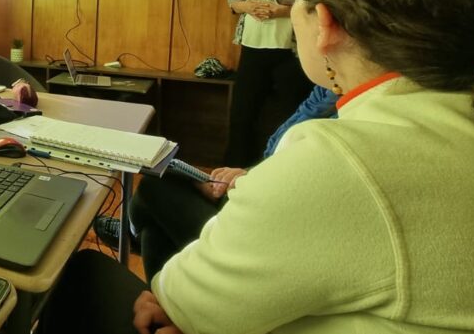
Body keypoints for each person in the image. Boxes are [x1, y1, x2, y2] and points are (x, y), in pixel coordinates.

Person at [41, 0, 474, 333]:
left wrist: (180, 304)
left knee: (86, 275)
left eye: (298, 1)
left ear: (326, 23)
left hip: (228, 301)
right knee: (163, 190)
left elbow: (192, 296)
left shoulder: (339, 158)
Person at [95, 85, 338, 281]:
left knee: (153, 191)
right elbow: (277, 149)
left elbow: (298, 179)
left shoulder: (345, 123)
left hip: (268, 235)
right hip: (258, 191)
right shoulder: (331, 88)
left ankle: (131, 233)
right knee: (161, 197)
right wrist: (243, 173)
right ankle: (165, 305)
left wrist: (248, 180)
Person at [224, 0, 323, 166]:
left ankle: (279, 171)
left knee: (289, 114)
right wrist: (246, 6)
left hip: (294, 50)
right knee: (242, 114)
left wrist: (285, 9)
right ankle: (233, 172)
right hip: (254, 46)